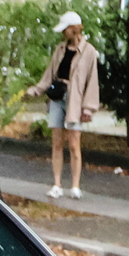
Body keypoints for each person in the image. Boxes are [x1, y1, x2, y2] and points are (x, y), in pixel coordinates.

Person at [24, 11, 99, 200]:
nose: (63, 33)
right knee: (56, 142)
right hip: (57, 98)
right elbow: (50, 74)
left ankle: (75, 185)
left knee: (74, 144)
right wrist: (36, 90)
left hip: (76, 101)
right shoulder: (59, 49)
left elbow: (92, 81)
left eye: (65, 29)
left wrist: (88, 108)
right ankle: (57, 184)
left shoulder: (89, 51)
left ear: (74, 29)